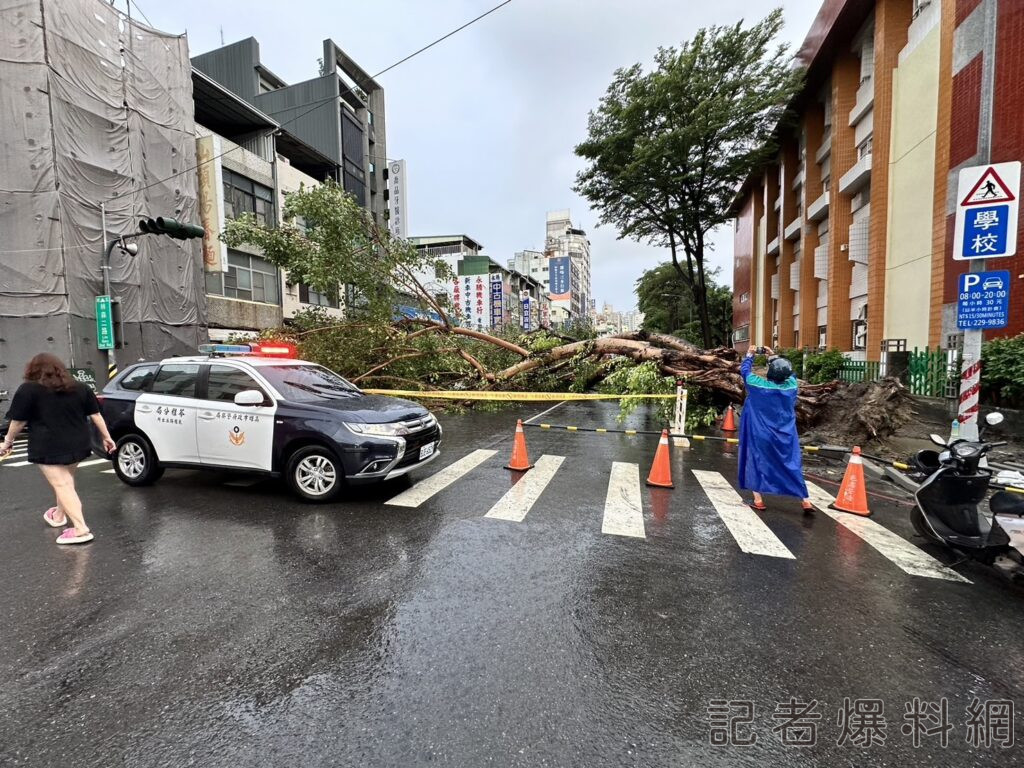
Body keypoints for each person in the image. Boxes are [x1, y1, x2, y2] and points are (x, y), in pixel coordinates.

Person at [0, 354, 116, 544]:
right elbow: (95, 415)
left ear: (32, 370)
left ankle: (80, 528)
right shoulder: (80, 387)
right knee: (66, 482)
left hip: (48, 445)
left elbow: (18, 421)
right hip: (78, 443)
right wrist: (107, 437)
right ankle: (59, 515)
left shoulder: (28, 389)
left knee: (62, 485)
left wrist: (7, 442)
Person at [737, 346, 816, 513]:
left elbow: (744, 371)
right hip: (785, 434)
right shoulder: (791, 387)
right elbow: (791, 374)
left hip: (761, 432)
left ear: (770, 373)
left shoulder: (758, 386)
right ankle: (806, 501)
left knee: (756, 461)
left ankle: (758, 500)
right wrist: (773, 356)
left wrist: (750, 355)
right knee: (791, 464)